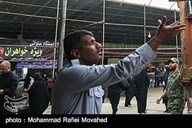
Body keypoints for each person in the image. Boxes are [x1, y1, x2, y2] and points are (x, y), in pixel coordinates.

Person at [51, 15, 185, 114]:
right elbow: (120, 70)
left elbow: (127, 71)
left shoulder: (90, 74)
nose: (99, 45)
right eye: (92, 43)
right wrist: (158, 38)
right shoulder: (71, 74)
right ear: (76, 53)